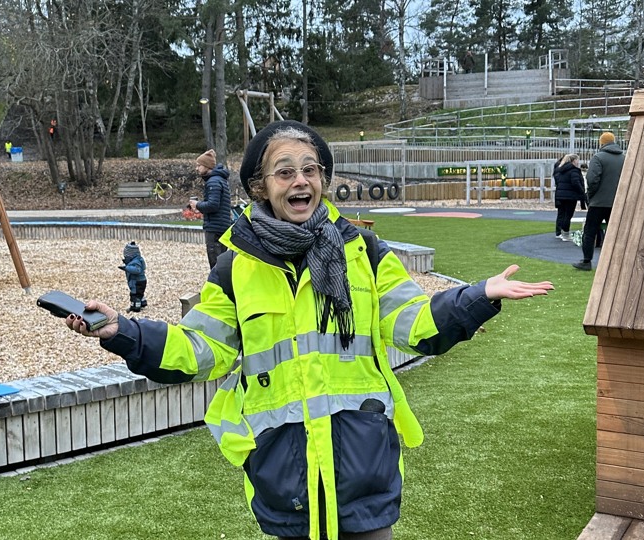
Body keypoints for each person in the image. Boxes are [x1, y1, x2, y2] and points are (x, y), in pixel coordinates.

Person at [62, 120, 554, 540]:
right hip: (284, 473)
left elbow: (417, 325)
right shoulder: (235, 270)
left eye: (311, 169)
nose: (301, 181)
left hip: (363, 469)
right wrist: (123, 331)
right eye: (286, 171)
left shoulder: (363, 252)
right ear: (260, 187)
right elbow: (198, 349)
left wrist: (478, 296)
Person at [573, 131, 624, 271]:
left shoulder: (598, 157)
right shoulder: (624, 158)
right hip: (617, 202)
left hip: (598, 202)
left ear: (601, 143)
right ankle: (616, 262)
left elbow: (592, 179)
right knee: (615, 232)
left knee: (590, 232)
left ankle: (586, 261)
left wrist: (591, 196)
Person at [188, 148, 232, 269]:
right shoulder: (220, 180)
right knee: (221, 263)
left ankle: (219, 286)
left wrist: (197, 205)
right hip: (221, 226)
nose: (197, 168)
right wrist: (201, 208)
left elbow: (213, 205)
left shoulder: (213, 182)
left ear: (207, 166)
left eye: (199, 165)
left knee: (215, 264)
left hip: (215, 228)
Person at [552, 153, 586, 242]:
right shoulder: (574, 171)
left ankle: (560, 232)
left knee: (562, 214)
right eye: (577, 160)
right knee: (568, 215)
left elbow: (558, 180)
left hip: (560, 194)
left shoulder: (561, 169)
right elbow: (575, 182)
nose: (578, 162)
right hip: (570, 195)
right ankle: (565, 234)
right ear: (573, 161)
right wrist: (582, 192)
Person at [119, 241, 148, 313]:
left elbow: (137, 270)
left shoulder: (136, 262)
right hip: (140, 281)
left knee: (134, 294)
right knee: (140, 293)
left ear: (131, 255)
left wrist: (126, 268)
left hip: (137, 281)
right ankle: (143, 303)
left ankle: (135, 306)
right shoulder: (137, 260)